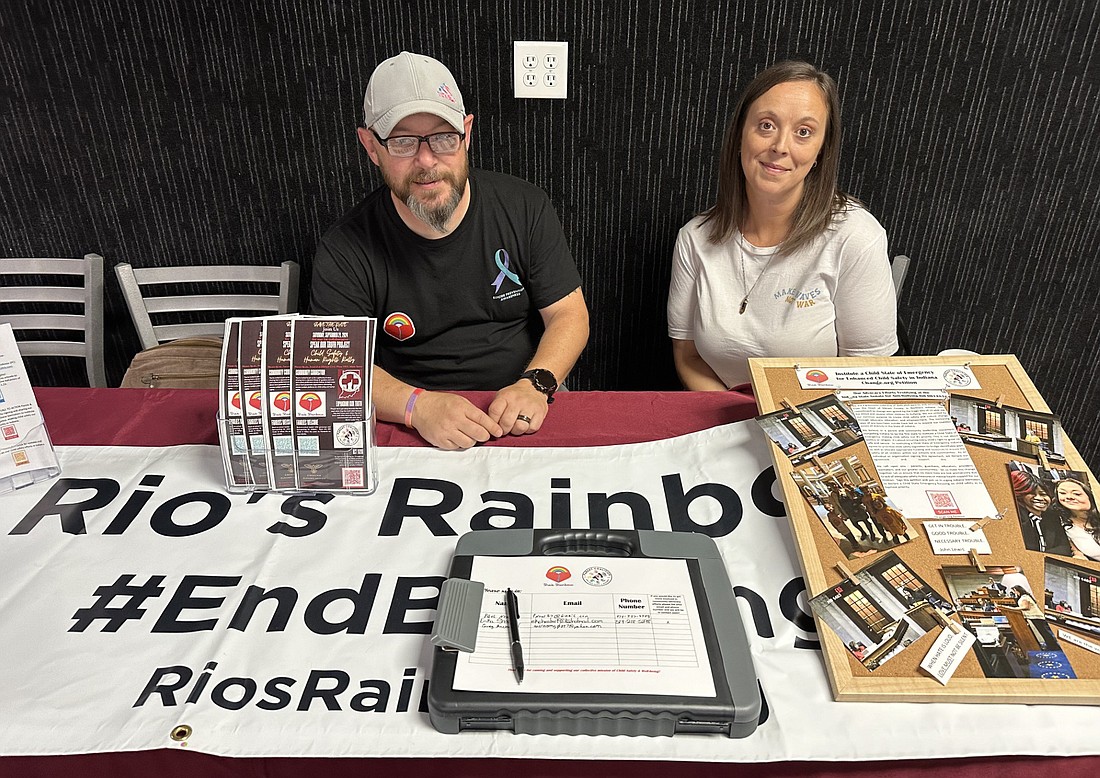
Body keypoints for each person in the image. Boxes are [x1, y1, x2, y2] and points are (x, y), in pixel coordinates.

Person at [310, 52, 589, 450]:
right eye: (403, 142)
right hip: (411, 422)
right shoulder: (344, 247)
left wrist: (537, 383)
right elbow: (338, 366)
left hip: (524, 403)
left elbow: (569, 313)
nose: (427, 161)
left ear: (467, 133)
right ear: (371, 147)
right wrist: (416, 408)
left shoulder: (524, 205)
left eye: (443, 137)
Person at [667, 61, 897, 390]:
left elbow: (867, 374)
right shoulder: (695, 238)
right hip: (725, 417)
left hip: (822, 424)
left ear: (820, 151)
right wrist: (736, 422)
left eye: (803, 132)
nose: (780, 146)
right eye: (765, 126)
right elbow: (688, 356)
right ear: (739, 137)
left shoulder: (856, 237)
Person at [1009, 470, 1072, 556]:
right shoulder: (1016, 518)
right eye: (1032, 494)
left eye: (1043, 494)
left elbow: (1064, 548)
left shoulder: (1052, 516)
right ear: (1020, 495)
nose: (1039, 498)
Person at [1049, 477, 1100, 561]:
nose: (1069, 497)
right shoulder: (1059, 521)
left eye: (1077, 494)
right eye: (1062, 493)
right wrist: (1077, 553)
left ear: (1090, 496)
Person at [1004, 585, 1059, 651]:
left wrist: (1013, 608)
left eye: (1014, 591)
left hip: (1035, 616)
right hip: (1033, 616)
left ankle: (1053, 646)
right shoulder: (1023, 597)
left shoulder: (1024, 597)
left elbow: (1026, 607)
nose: (1014, 592)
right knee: (1042, 632)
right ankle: (1051, 645)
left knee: (1044, 632)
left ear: (1017, 590)